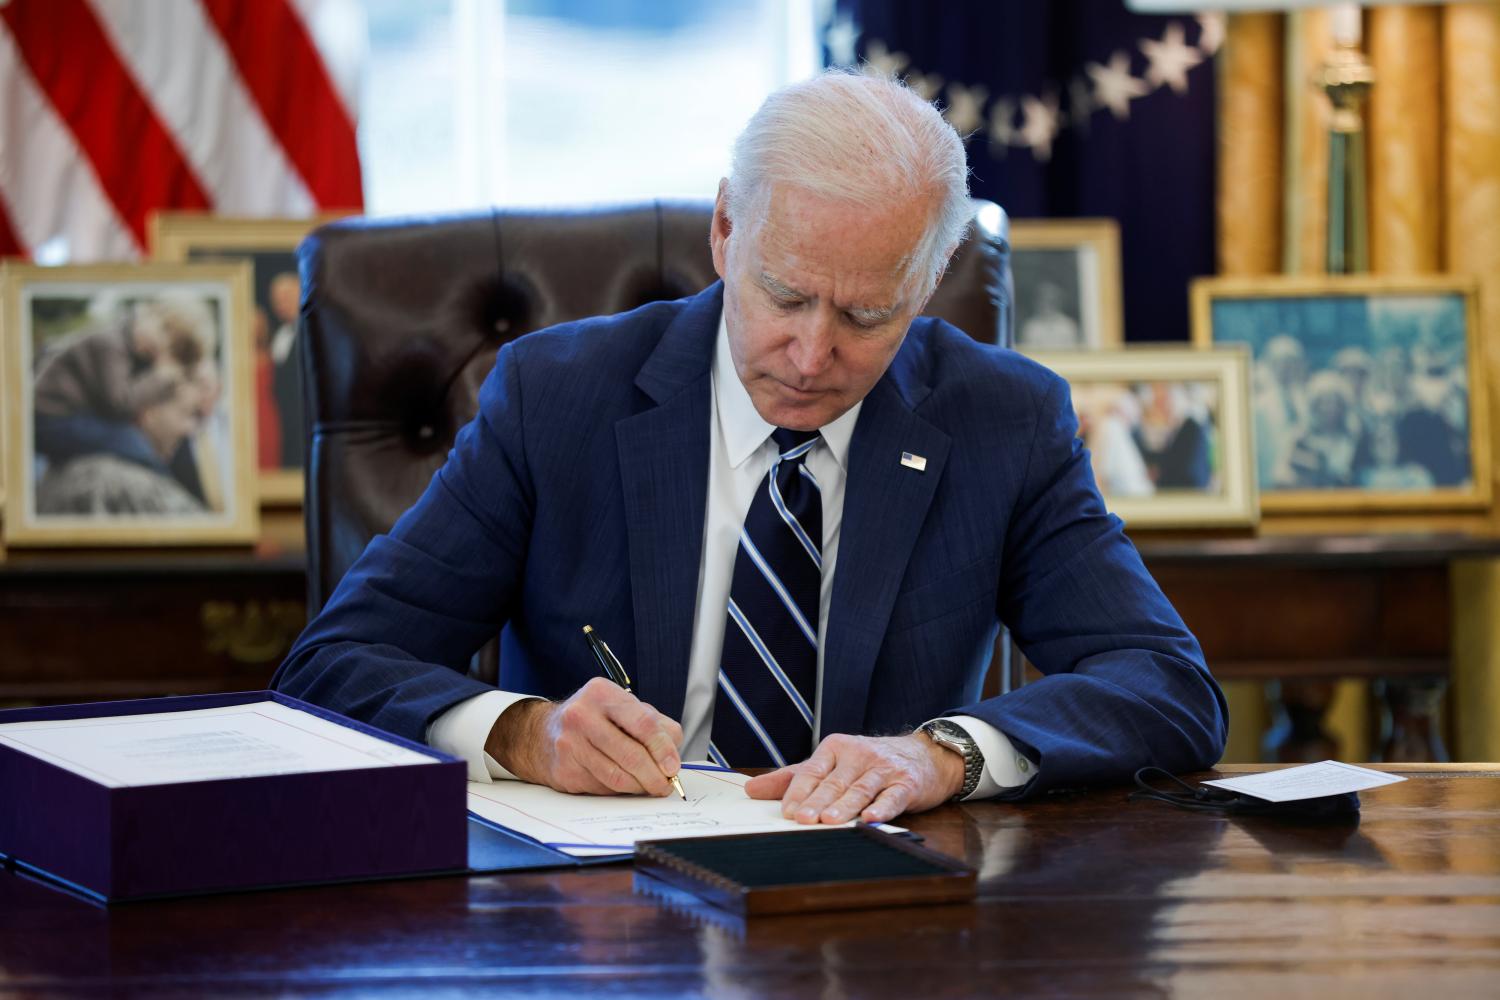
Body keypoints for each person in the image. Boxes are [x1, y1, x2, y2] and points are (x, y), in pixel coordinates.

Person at [275, 71, 1225, 824]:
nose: (813, 356)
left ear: (931, 278)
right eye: (785, 295)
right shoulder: (554, 398)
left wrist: (942, 753)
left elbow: (1166, 686)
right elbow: (335, 662)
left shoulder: (1003, 422)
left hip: (883, 916)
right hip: (599, 919)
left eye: (866, 313)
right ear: (727, 229)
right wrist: (523, 733)